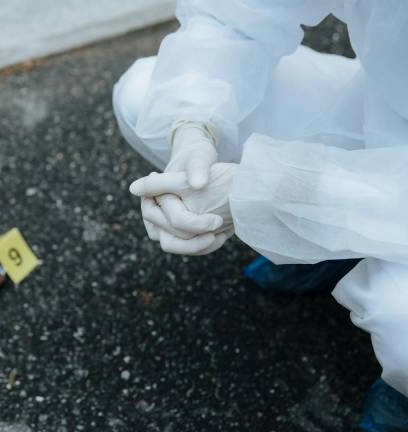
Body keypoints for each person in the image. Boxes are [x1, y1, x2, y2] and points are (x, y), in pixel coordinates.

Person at [112, 1, 408, 430]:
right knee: (147, 95)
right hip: (385, 117)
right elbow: (243, 9)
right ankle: (332, 245)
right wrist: (195, 126)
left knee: (401, 324)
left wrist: (267, 191)